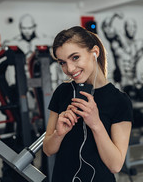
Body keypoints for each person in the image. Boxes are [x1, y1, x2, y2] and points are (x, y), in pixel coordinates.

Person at [43, 26, 133, 182]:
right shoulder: (62, 92)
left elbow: (116, 165)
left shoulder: (120, 101)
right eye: (62, 62)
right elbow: (48, 150)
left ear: (95, 52)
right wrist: (59, 133)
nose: (69, 69)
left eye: (75, 57)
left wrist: (95, 123)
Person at [102, 13, 143, 99]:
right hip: (120, 83)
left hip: (135, 83)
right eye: (129, 26)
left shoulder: (139, 44)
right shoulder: (117, 43)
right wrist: (114, 15)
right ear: (125, 28)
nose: (131, 29)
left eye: (134, 26)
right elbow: (106, 28)